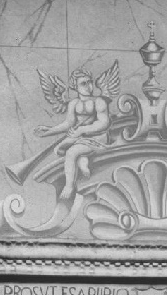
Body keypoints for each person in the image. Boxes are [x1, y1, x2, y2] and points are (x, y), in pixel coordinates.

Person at [33, 67, 112, 199]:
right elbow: (68, 123)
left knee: (71, 152)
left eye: (90, 82)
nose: (88, 86)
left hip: (97, 138)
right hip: (80, 138)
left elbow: (103, 123)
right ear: (75, 86)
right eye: (83, 83)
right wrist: (49, 131)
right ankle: (82, 159)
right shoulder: (74, 103)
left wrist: (81, 130)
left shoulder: (99, 102)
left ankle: (69, 186)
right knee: (59, 149)